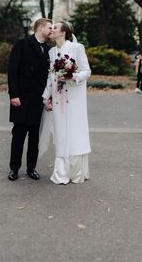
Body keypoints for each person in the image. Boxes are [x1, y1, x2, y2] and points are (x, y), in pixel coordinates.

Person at [41, 21, 91, 184]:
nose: (52, 30)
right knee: (61, 132)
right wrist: (46, 97)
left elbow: (87, 71)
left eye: (55, 28)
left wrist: (73, 76)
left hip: (75, 98)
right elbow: (50, 76)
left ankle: (77, 172)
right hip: (58, 99)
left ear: (63, 33)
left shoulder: (77, 48)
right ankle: (61, 172)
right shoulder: (52, 52)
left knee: (75, 132)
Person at [7, 18, 53, 181]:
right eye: (49, 27)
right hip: (21, 97)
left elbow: (51, 78)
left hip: (38, 100)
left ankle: (31, 168)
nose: (52, 30)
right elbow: (12, 71)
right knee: (18, 135)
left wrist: (49, 98)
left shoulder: (49, 50)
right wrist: (13, 95)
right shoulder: (22, 44)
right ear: (40, 27)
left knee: (34, 136)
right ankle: (14, 168)